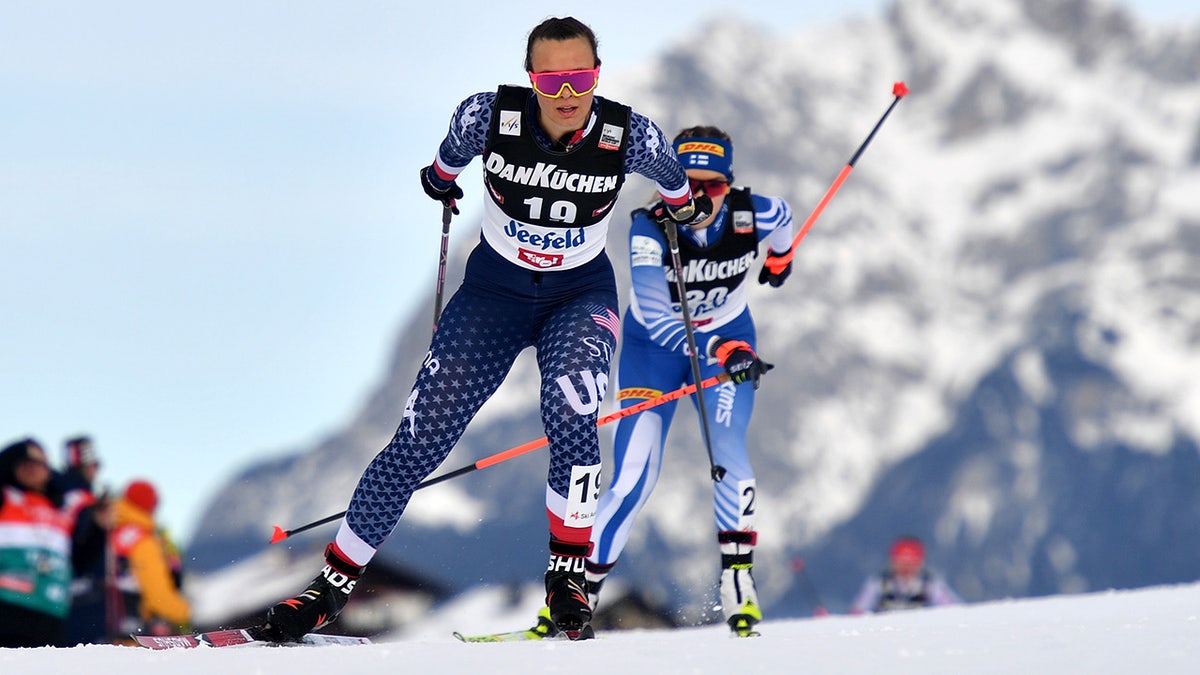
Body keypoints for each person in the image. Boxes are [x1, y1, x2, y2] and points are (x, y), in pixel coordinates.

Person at [263, 16, 713, 643]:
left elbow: (677, 187)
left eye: (579, 76)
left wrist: (684, 210)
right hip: (492, 298)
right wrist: (440, 184)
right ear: (531, 79)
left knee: (572, 413)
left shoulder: (629, 133)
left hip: (577, 297)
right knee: (421, 439)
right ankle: (329, 589)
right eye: (551, 78)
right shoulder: (486, 118)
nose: (566, 92)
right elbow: (443, 167)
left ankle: (567, 578)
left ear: (596, 75)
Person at [581, 126, 792, 638]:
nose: (700, 199)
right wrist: (719, 350)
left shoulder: (752, 213)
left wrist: (780, 261)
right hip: (656, 353)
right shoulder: (650, 229)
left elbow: (782, 218)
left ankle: (738, 583)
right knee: (632, 480)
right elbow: (654, 313)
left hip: (727, 343)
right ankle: (576, 597)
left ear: (729, 185)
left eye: (713, 187)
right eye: (687, 186)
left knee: (729, 457)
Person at [0, 438, 76, 647]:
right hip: (7, 609)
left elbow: (80, 560)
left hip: (52, 614)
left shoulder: (61, 510)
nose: (32, 468)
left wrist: (97, 527)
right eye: (25, 462)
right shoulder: (5, 497)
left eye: (39, 463)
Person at [110, 480, 192, 638]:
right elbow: (158, 596)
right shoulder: (143, 541)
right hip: (136, 631)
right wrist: (185, 612)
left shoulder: (113, 532)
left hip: (110, 625)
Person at [58, 435, 113, 645]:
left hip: (79, 587)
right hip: (81, 590)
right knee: (82, 651)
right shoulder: (77, 497)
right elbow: (78, 543)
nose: (96, 470)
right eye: (92, 465)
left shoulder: (77, 495)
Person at [849, 536, 962, 614]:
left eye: (911, 564)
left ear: (919, 564)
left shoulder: (930, 585)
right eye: (901, 563)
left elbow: (953, 609)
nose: (906, 569)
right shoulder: (879, 583)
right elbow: (858, 610)